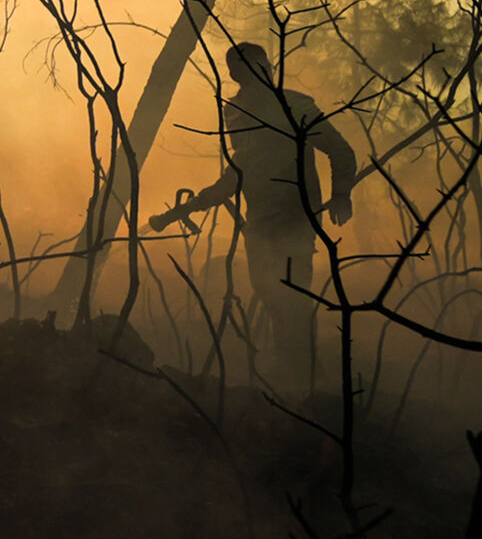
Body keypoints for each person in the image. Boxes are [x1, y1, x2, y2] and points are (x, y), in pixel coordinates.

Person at [149, 41, 357, 387]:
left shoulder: (295, 106)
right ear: (235, 76)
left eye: (258, 69)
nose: (252, 78)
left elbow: (340, 150)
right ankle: (294, 374)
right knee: (273, 296)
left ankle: (305, 376)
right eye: (243, 72)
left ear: (269, 68)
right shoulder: (237, 111)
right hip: (260, 224)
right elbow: (239, 170)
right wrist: (195, 204)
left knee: (294, 298)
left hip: (296, 217)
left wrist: (341, 195)